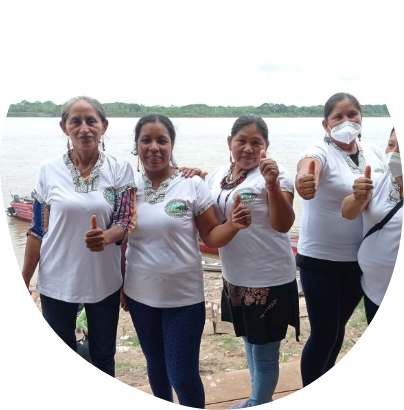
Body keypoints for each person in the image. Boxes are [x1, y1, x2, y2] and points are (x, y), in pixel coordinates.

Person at [120, 114, 252, 409]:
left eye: (161, 140)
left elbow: (210, 236)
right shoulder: (128, 187)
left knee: (181, 374)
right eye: (146, 140)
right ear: (136, 146)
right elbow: (124, 238)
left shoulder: (192, 184)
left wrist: (232, 224)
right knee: (155, 365)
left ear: (172, 145)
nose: (154, 147)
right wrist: (120, 283)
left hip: (184, 298)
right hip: (140, 295)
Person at [181, 114, 300, 409]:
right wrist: (196, 175)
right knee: (249, 342)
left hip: (268, 279)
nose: (248, 148)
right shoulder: (219, 173)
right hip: (234, 277)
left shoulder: (277, 175)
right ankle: (260, 402)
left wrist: (272, 185)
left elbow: (283, 224)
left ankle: (258, 404)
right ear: (229, 143)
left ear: (266, 146)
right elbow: (216, 201)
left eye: (255, 143)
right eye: (241, 141)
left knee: (265, 353)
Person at [22, 96, 136, 400]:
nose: (84, 128)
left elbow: (126, 220)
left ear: (103, 126)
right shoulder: (48, 170)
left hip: (105, 281)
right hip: (56, 280)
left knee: (102, 358)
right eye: (76, 121)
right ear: (64, 127)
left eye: (91, 121)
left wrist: (107, 237)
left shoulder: (120, 169)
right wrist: (25, 278)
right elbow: (37, 229)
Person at [295, 92, 387, 399]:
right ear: (326, 123)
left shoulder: (373, 152)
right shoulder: (319, 149)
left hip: (359, 260)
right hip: (320, 259)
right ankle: (312, 395)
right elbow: (308, 168)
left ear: (362, 119)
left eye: (353, 115)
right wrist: (304, 180)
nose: (346, 121)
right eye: (338, 116)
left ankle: (327, 389)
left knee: (338, 329)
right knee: (323, 332)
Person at [341, 127, 403, 339]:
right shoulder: (380, 180)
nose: (394, 152)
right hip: (374, 290)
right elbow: (348, 213)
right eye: (391, 144)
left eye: (402, 147)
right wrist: (358, 197)